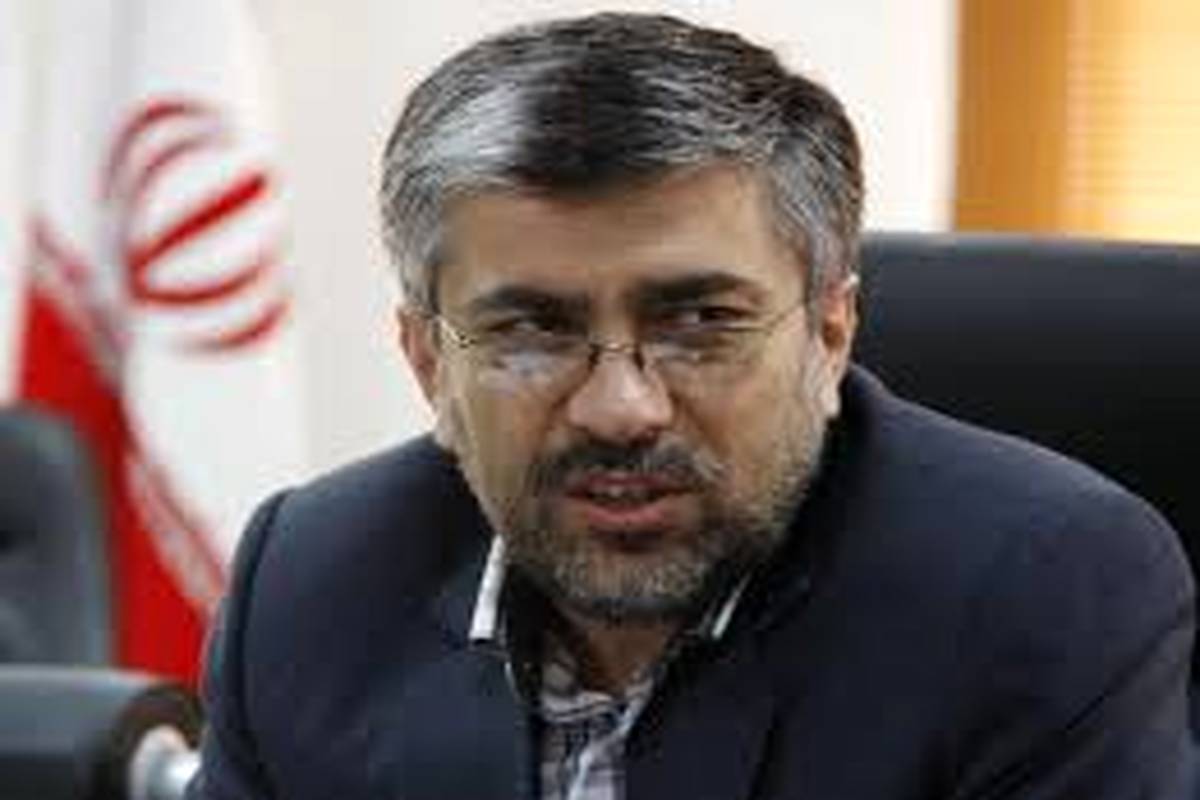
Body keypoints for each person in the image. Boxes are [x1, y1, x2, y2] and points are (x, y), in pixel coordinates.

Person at [187, 12, 1196, 800]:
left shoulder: (1039, 595)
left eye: (700, 322)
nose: (620, 408)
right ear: (428, 364)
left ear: (829, 333)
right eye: (532, 331)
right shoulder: (312, 581)